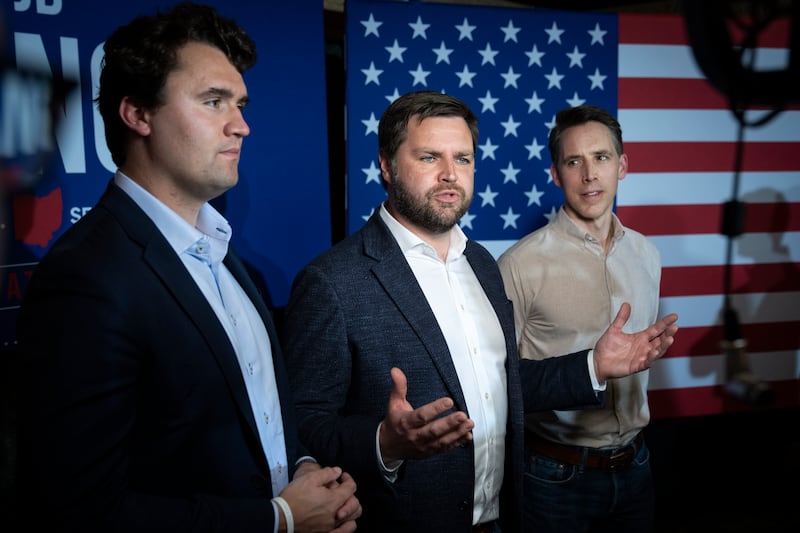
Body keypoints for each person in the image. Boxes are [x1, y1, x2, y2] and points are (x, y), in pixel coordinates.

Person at [14, 3, 361, 532]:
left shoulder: (223, 255)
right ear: (138, 114)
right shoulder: (86, 277)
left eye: (240, 103)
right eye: (214, 101)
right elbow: (82, 511)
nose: (241, 125)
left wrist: (306, 473)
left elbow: (263, 420)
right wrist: (282, 519)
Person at [281, 90, 678, 533]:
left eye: (464, 159)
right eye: (430, 157)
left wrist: (593, 366)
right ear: (387, 166)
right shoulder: (332, 280)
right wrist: (383, 443)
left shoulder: (483, 265)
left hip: (504, 518)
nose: (451, 174)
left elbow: (505, 384)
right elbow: (303, 427)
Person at [498, 104, 661, 532]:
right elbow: (499, 381)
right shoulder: (519, 265)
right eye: (574, 162)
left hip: (638, 464)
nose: (590, 175)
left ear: (622, 165)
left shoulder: (647, 254)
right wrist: (592, 365)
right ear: (556, 174)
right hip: (554, 475)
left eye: (601, 158)